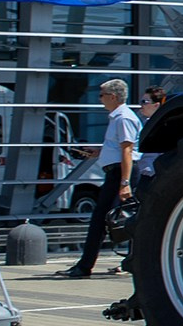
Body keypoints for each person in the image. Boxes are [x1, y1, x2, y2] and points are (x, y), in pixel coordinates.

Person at [55, 79, 139, 277]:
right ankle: (86, 265)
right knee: (104, 219)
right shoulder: (117, 117)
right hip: (116, 172)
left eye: (101, 95)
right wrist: (99, 152)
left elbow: (128, 151)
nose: (99, 99)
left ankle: (87, 266)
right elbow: (118, 148)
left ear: (113, 96)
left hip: (121, 173)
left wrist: (125, 183)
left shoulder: (123, 118)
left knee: (111, 219)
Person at [104, 86, 167, 321]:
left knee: (137, 228)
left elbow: (129, 150)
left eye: (145, 102)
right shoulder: (150, 123)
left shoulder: (159, 123)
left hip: (152, 178)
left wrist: (125, 182)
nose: (141, 106)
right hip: (148, 178)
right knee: (134, 227)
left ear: (157, 104)